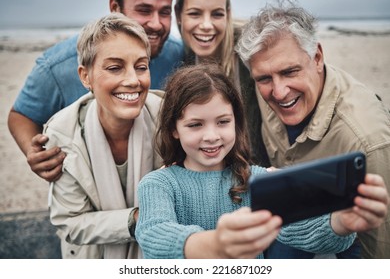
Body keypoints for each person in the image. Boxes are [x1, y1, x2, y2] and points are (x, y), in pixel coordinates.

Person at [134, 64, 388, 259]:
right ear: (173, 129)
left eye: (223, 122)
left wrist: (340, 222)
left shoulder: (257, 179)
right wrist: (217, 244)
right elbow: (154, 234)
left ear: (237, 122)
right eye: (195, 125)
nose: (211, 136)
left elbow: (299, 227)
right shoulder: (158, 184)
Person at [235, 0, 390, 259]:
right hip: (287, 214)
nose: (279, 92)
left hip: (347, 231)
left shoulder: (367, 141)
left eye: (290, 72)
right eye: (264, 78)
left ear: (317, 58)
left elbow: (380, 254)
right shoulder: (260, 72)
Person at [8, 0, 184, 182]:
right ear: (115, 8)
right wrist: (35, 153)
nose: (156, 23)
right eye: (144, 10)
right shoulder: (57, 66)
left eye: (164, 12)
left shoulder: (177, 55)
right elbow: (21, 115)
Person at [44, 13, 162, 258]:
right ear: (85, 76)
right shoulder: (62, 133)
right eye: (115, 68)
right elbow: (70, 223)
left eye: (141, 67)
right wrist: (136, 219)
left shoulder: (167, 117)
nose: (133, 80)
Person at [174, 0, 270, 167]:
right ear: (178, 15)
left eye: (217, 14)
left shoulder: (251, 52)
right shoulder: (182, 61)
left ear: (228, 15)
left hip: (258, 172)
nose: (206, 25)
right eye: (195, 14)